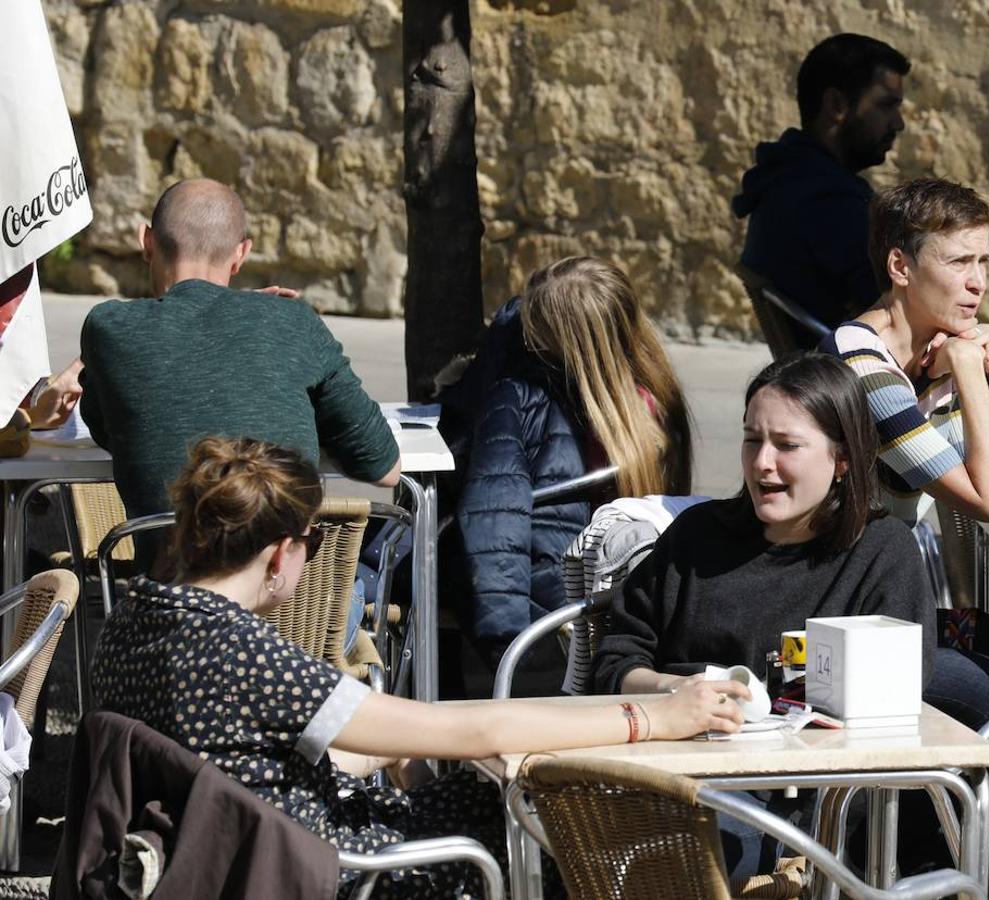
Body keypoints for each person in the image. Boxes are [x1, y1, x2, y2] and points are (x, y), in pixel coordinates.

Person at [91, 436, 748, 899]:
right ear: (281, 553)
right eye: (312, 544)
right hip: (324, 870)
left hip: (216, 851)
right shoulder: (247, 653)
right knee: (550, 834)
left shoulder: (134, 617)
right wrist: (652, 717)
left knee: (477, 790)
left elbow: (236, 762)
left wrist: (377, 751)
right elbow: (469, 736)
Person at [593, 354, 989, 875]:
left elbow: (893, 708)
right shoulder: (696, 539)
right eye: (752, 439)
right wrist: (670, 694)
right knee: (708, 844)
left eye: (787, 445)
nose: (761, 464)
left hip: (821, 800)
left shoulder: (882, 553)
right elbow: (615, 660)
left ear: (842, 459)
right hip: (685, 780)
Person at [77, 179, 399, 530]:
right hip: (288, 581)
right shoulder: (293, 322)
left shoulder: (108, 328)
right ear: (241, 255)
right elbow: (385, 468)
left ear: (146, 241)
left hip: (166, 582)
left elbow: (113, 431)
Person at [436, 256, 693, 678]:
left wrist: (512, 650)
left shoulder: (519, 399)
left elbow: (494, 522)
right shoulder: (656, 395)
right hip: (631, 571)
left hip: (554, 585)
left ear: (551, 339)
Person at [827, 177, 989, 525]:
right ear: (900, 267)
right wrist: (967, 367)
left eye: (982, 261)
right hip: (831, 571)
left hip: (883, 562)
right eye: (958, 262)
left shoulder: (942, 343)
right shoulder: (860, 366)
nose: (978, 282)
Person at [732, 33, 909, 341]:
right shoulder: (826, 203)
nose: (898, 123)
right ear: (837, 105)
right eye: (886, 106)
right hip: (853, 377)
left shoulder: (790, 179)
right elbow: (895, 311)